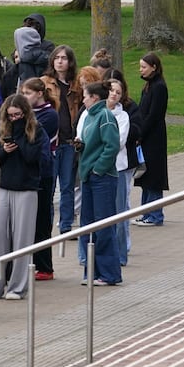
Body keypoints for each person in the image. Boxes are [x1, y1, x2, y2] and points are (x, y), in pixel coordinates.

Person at [0, 94, 46, 300]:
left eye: (17, 115)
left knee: (22, 239)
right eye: (10, 116)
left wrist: (19, 136)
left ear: (25, 113)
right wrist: (4, 151)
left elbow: (33, 157)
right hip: (2, 188)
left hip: (27, 189)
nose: (13, 119)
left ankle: (18, 287)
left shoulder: (37, 130)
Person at [77, 83, 122, 285]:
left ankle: (108, 273)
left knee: (103, 225)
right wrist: (82, 146)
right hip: (88, 176)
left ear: (95, 97)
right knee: (88, 225)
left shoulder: (105, 116)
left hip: (101, 178)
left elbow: (111, 145)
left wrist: (98, 169)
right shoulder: (89, 116)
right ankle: (92, 271)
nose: (82, 99)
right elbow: (94, 143)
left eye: (85, 96)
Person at [21, 78, 60, 281]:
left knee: (42, 219)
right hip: (27, 174)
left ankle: (45, 266)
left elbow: (30, 135)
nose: (24, 97)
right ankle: (31, 263)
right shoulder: (28, 115)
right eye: (23, 93)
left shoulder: (50, 115)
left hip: (43, 174)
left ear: (39, 93)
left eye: (28, 93)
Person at [45, 45, 82, 234]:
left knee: (67, 186)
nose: (60, 61)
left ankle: (66, 225)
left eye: (64, 58)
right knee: (49, 187)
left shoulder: (76, 85)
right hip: (52, 143)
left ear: (70, 62)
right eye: (57, 57)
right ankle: (47, 225)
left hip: (68, 142)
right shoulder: (45, 83)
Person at [134, 53, 168, 227]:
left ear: (154, 67)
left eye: (144, 67)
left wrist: (140, 133)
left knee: (153, 176)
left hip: (154, 137)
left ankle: (155, 215)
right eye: (140, 67)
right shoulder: (148, 86)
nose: (141, 70)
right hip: (146, 136)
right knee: (146, 175)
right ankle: (146, 213)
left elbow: (154, 115)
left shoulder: (159, 87)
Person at [104, 78, 132, 267]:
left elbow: (118, 142)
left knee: (120, 212)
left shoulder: (123, 117)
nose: (114, 94)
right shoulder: (93, 113)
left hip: (118, 168)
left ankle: (121, 254)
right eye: (111, 90)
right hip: (98, 169)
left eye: (118, 92)